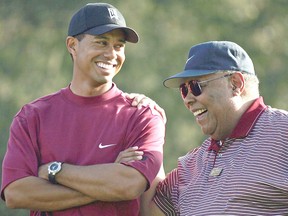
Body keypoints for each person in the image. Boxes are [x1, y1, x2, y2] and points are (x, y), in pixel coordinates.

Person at [1, 3, 166, 216]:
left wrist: (54, 171)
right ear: (72, 45)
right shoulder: (32, 116)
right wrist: (106, 183)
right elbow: (17, 193)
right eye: (101, 42)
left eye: (119, 45)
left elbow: (128, 186)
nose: (111, 54)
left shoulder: (142, 115)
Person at [141, 41, 288, 215]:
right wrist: (143, 121)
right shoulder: (190, 166)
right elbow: (147, 211)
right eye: (183, 89)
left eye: (196, 86)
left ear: (235, 84)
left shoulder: (283, 132)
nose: (187, 99)